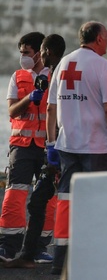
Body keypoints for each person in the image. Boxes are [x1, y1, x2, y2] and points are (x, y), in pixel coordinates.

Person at [45, 21, 107, 275]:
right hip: (97, 148)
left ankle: (61, 261)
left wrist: (51, 143)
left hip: (67, 146)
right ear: (99, 39)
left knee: (67, 202)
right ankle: (94, 259)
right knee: (98, 204)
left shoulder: (63, 64)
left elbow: (50, 108)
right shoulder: (102, 67)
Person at [3, 34, 66, 269]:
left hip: (47, 147)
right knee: (15, 193)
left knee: (48, 199)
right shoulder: (17, 77)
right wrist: (30, 97)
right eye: (21, 52)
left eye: (27, 52)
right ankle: (8, 245)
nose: (23, 57)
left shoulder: (55, 75)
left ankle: (40, 247)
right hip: (21, 145)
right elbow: (12, 111)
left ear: (39, 53)